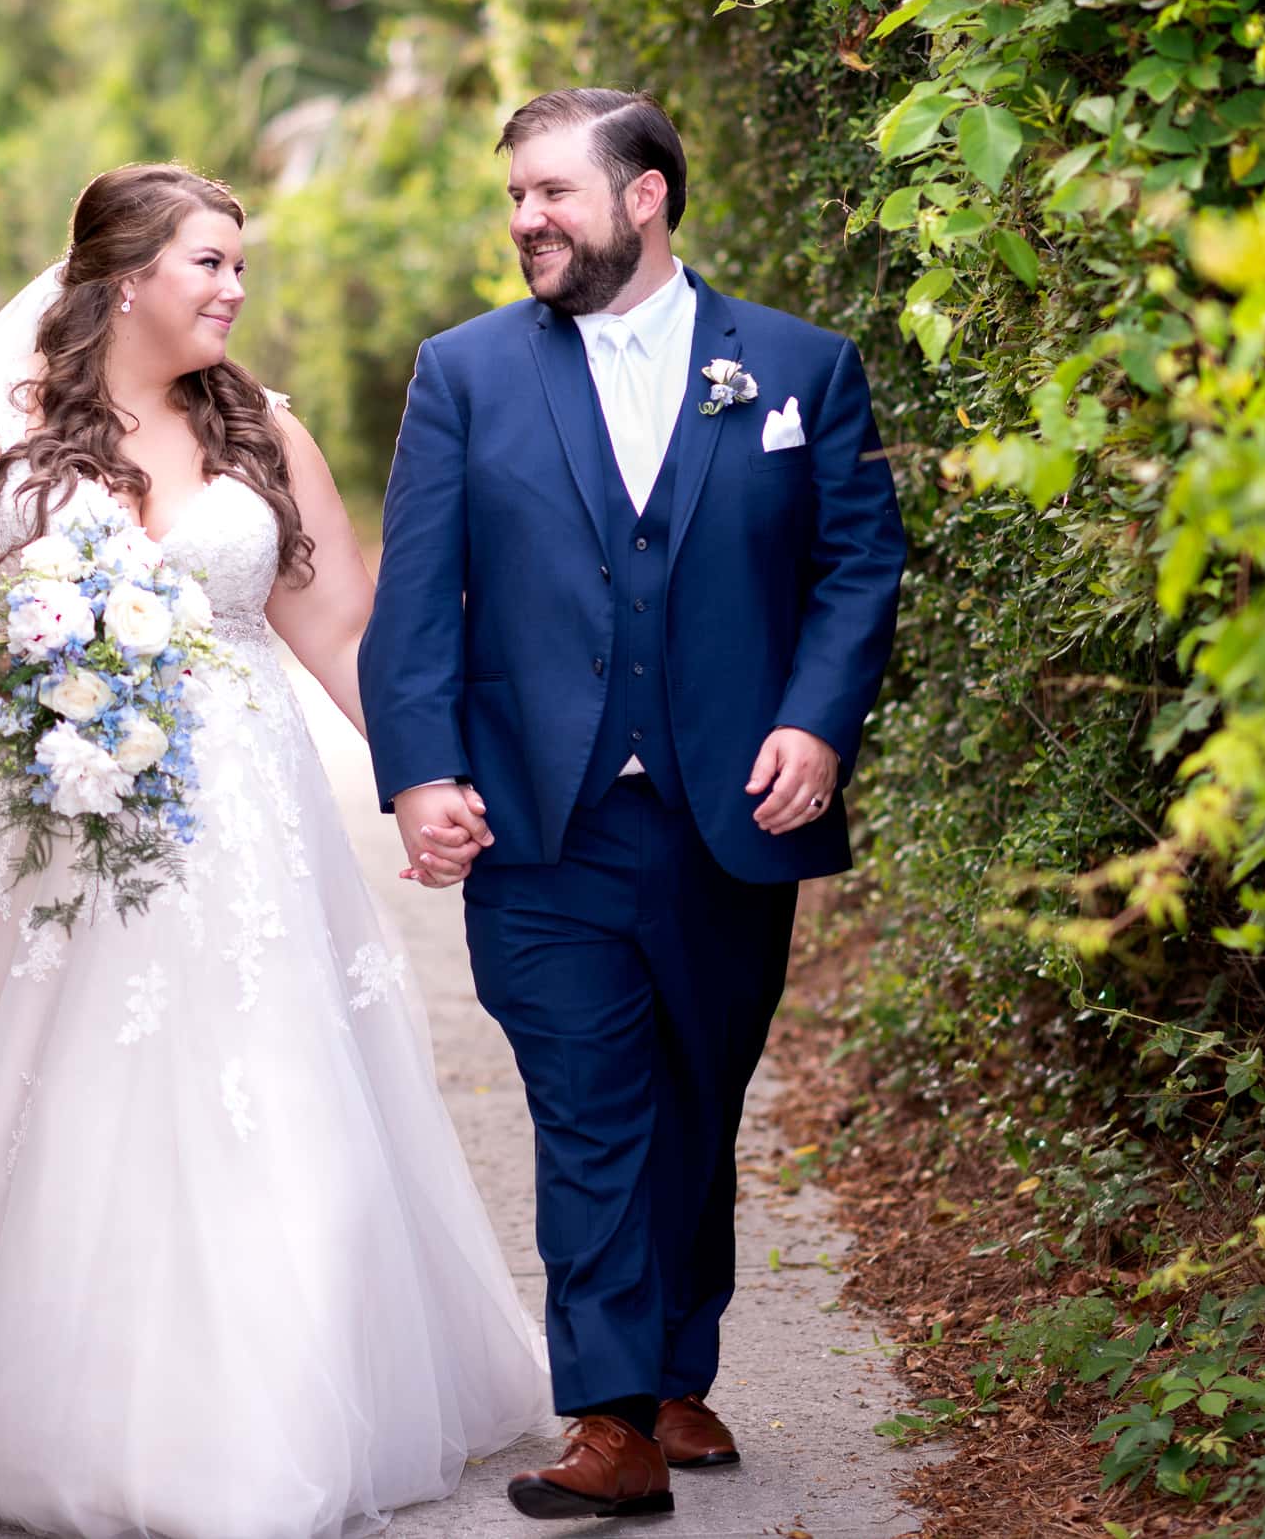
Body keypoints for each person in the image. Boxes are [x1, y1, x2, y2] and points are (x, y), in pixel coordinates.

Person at [0, 162, 551, 1539]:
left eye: (242, 267)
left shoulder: (265, 434)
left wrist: (425, 778)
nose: (237, 291)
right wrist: (16, 655)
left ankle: (274, 1405)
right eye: (210, 265)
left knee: (269, 1084)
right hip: (46, 809)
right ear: (125, 276)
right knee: (55, 1086)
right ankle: (52, 1394)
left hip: (242, 820)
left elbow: (343, 633)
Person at [361, 89, 908, 1521]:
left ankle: (674, 1362)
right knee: (593, 1104)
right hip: (544, 820)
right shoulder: (466, 374)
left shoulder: (798, 366)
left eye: (553, 192)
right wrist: (423, 770)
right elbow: (414, 599)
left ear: (647, 195)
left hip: (736, 812)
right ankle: (609, 1419)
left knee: (696, 1094)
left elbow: (859, 562)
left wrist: (816, 720)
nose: (528, 219)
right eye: (516, 198)